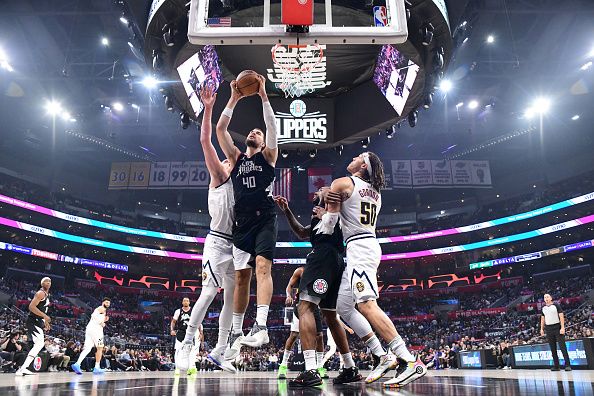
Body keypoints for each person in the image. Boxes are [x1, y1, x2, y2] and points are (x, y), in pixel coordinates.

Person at [316, 152, 426, 387]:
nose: (353, 157)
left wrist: (324, 213)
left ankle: (407, 359)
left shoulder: (344, 182)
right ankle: (381, 355)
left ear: (363, 165)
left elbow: (331, 225)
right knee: (343, 306)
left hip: (359, 248)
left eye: (358, 156)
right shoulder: (375, 192)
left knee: (366, 304)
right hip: (365, 245)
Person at [215, 74, 279, 358]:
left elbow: (271, 126)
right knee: (242, 279)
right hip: (242, 223)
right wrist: (234, 98)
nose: (255, 132)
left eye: (259, 133)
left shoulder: (268, 157)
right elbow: (220, 130)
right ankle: (237, 332)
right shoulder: (237, 158)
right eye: (252, 131)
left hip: (264, 217)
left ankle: (262, 326)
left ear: (264, 143)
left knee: (263, 267)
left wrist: (263, 95)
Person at [275, 191, 364, 388]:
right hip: (335, 262)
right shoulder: (318, 217)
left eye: (321, 189)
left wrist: (327, 213)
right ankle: (349, 367)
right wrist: (287, 211)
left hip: (322, 258)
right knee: (331, 316)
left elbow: (336, 218)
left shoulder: (333, 210)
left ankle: (311, 370)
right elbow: (301, 232)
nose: (316, 191)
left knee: (304, 307)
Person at [177, 86, 236, 375]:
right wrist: (209, 107)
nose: (226, 161)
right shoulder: (219, 175)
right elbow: (205, 139)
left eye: (229, 159)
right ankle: (188, 342)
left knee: (234, 298)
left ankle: (220, 351)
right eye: (224, 159)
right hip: (216, 243)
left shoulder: (241, 182)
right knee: (209, 292)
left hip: (235, 246)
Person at [277, 266, 326, 380]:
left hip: (315, 307)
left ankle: (319, 367)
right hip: (301, 306)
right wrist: (288, 295)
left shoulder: (322, 271)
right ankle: (283, 366)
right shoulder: (300, 271)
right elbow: (289, 286)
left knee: (319, 336)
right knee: (294, 335)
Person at [16, 277, 52, 376]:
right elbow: (31, 307)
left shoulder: (47, 294)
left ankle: (23, 367)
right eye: (46, 281)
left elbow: (42, 309)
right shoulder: (40, 293)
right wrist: (44, 316)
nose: (48, 283)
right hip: (33, 321)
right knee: (39, 344)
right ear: (42, 284)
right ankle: (22, 368)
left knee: (39, 345)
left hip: (38, 321)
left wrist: (45, 321)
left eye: (49, 281)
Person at [72, 297, 111, 374]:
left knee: (87, 349)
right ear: (103, 302)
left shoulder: (99, 309)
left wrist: (103, 320)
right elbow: (94, 316)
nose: (108, 304)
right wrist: (101, 322)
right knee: (100, 348)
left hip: (89, 330)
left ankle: (77, 364)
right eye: (106, 302)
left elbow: (94, 317)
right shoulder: (102, 308)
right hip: (96, 331)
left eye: (109, 303)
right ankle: (97, 367)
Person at [540, 293, 572, 371]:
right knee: (552, 348)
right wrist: (541, 329)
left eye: (547, 297)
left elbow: (561, 316)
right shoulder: (543, 307)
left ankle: (568, 365)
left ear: (551, 298)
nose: (546, 298)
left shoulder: (556, 305)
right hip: (548, 328)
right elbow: (542, 319)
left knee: (562, 347)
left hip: (557, 327)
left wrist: (562, 327)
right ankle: (556, 366)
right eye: (544, 297)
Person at [170, 298, 200, 375]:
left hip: (190, 333)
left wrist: (200, 332)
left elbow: (198, 321)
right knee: (178, 351)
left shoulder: (193, 311)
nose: (185, 302)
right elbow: (173, 322)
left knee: (191, 352)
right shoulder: (178, 311)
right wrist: (172, 330)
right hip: (181, 332)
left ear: (189, 302)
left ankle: (191, 368)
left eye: (187, 301)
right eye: (184, 301)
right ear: (182, 302)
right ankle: (177, 368)